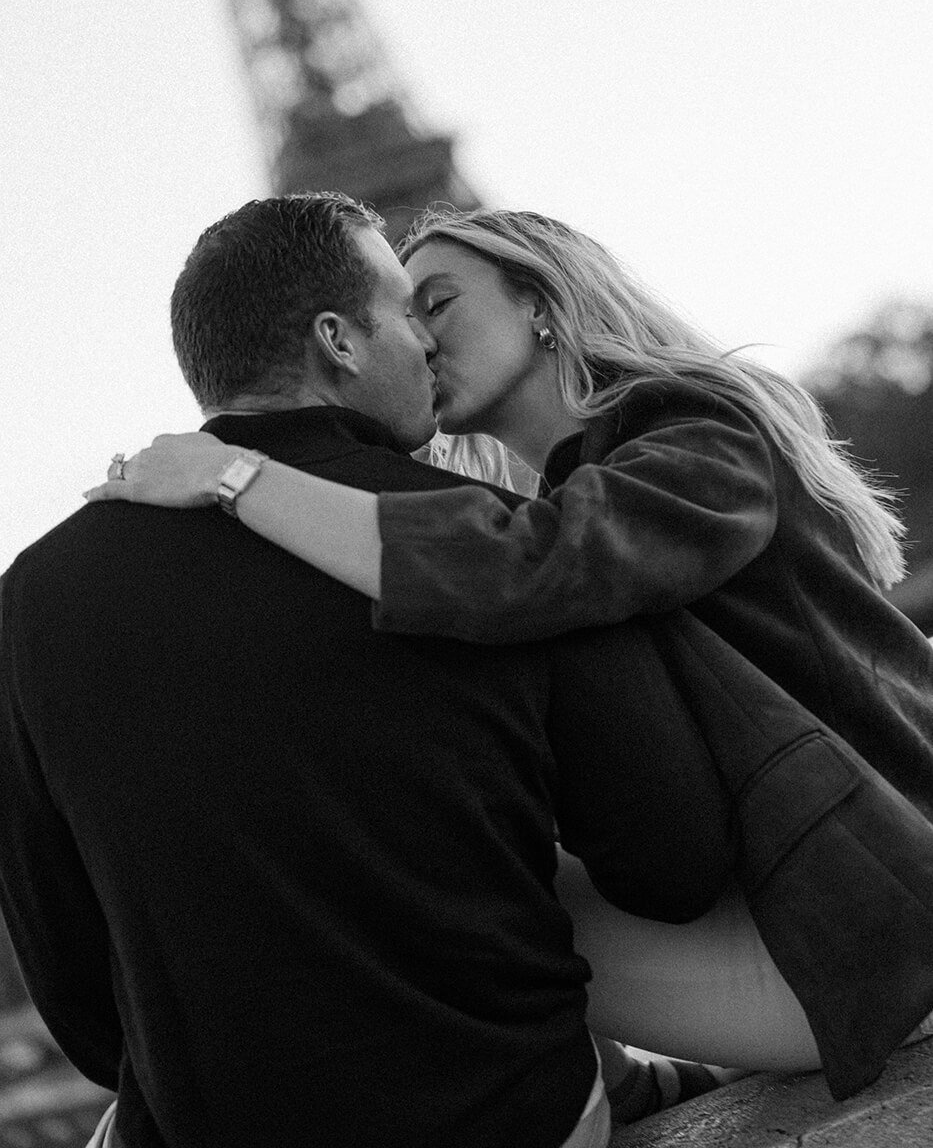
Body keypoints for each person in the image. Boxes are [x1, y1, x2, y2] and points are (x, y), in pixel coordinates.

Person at [88, 202, 933, 1101]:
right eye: (403, 316)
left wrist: (234, 477)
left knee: (427, 891)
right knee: (434, 858)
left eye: (438, 304)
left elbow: (533, 564)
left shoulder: (698, 433)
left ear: (540, 303)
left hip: (883, 913)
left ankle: (588, 1096)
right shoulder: (584, 484)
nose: (414, 339)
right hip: (817, 893)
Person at [0, 192, 761, 1148]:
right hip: (501, 1114)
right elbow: (672, 862)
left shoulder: (34, 596)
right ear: (339, 340)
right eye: (410, 311)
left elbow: (71, 982)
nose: (426, 347)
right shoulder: (483, 540)